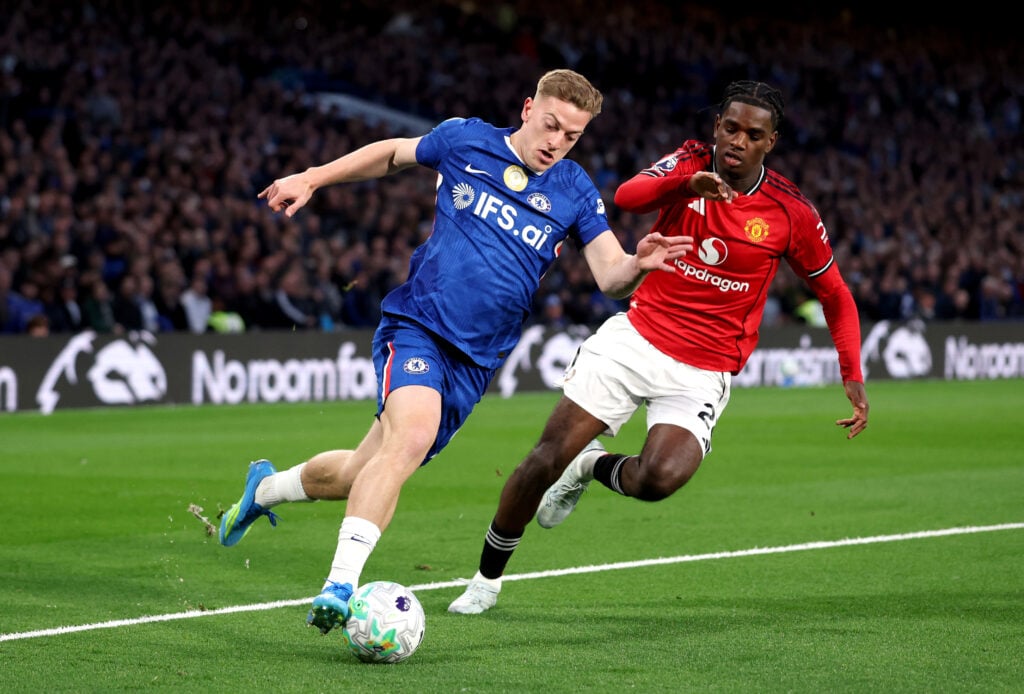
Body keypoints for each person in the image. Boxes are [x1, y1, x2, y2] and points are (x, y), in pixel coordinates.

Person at [218, 69, 692, 635]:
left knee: (358, 471)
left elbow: (610, 276)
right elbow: (393, 153)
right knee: (410, 438)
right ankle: (339, 586)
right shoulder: (466, 139)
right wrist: (313, 178)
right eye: (550, 125)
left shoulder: (573, 189)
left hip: (475, 363)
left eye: (572, 135)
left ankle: (265, 489)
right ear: (527, 108)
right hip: (417, 326)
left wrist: (637, 266)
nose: (556, 142)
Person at [447, 80, 870, 614]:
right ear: (716, 127)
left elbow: (834, 293)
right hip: (638, 338)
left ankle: (590, 468)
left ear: (771, 142)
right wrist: (687, 185)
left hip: (704, 368)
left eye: (752, 134)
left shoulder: (790, 212)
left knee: (659, 479)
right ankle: (486, 580)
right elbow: (627, 198)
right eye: (730, 128)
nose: (738, 141)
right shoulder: (689, 162)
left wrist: (851, 373)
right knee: (545, 457)